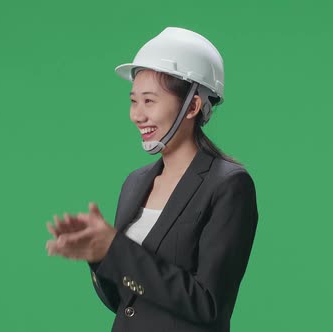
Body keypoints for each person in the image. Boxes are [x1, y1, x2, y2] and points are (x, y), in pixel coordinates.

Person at [45, 27, 259, 332]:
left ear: (193, 106)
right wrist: (99, 255)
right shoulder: (135, 182)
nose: (137, 115)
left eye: (149, 101)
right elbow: (124, 301)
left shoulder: (228, 185)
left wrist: (116, 249)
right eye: (134, 101)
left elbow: (208, 306)